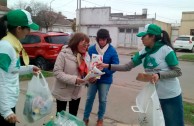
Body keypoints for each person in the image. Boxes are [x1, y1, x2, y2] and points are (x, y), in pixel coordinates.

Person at [97, 24, 184, 126]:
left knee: (173, 123)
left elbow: (178, 71)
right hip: (154, 96)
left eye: (144, 36)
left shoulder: (166, 50)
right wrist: (106, 65)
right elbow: (127, 67)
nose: (141, 39)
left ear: (152, 37)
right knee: (156, 123)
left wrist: (159, 75)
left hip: (170, 95)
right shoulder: (143, 53)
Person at [0, 9, 40, 126]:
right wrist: (6, 111)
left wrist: (29, 68)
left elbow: (11, 69)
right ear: (18, 28)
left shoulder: (12, 44)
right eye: (28, 28)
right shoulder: (5, 47)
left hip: (8, 102)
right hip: (4, 105)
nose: (29, 31)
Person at [52, 32, 96, 116]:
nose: (86, 47)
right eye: (84, 45)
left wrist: (91, 79)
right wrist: (75, 80)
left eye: (87, 45)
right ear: (75, 42)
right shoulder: (63, 54)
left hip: (76, 92)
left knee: (73, 116)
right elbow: (57, 73)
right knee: (61, 117)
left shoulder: (85, 56)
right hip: (63, 90)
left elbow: (86, 73)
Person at [83, 29, 119, 126]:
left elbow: (115, 65)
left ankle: (100, 119)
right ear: (97, 39)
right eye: (100, 39)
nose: (102, 41)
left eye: (104, 39)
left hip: (105, 80)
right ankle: (85, 118)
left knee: (102, 99)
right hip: (92, 78)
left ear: (108, 39)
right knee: (89, 98)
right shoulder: (91, 49)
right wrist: (89, 74)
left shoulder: (112, 50)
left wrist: (104, 71)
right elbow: (86, 63)